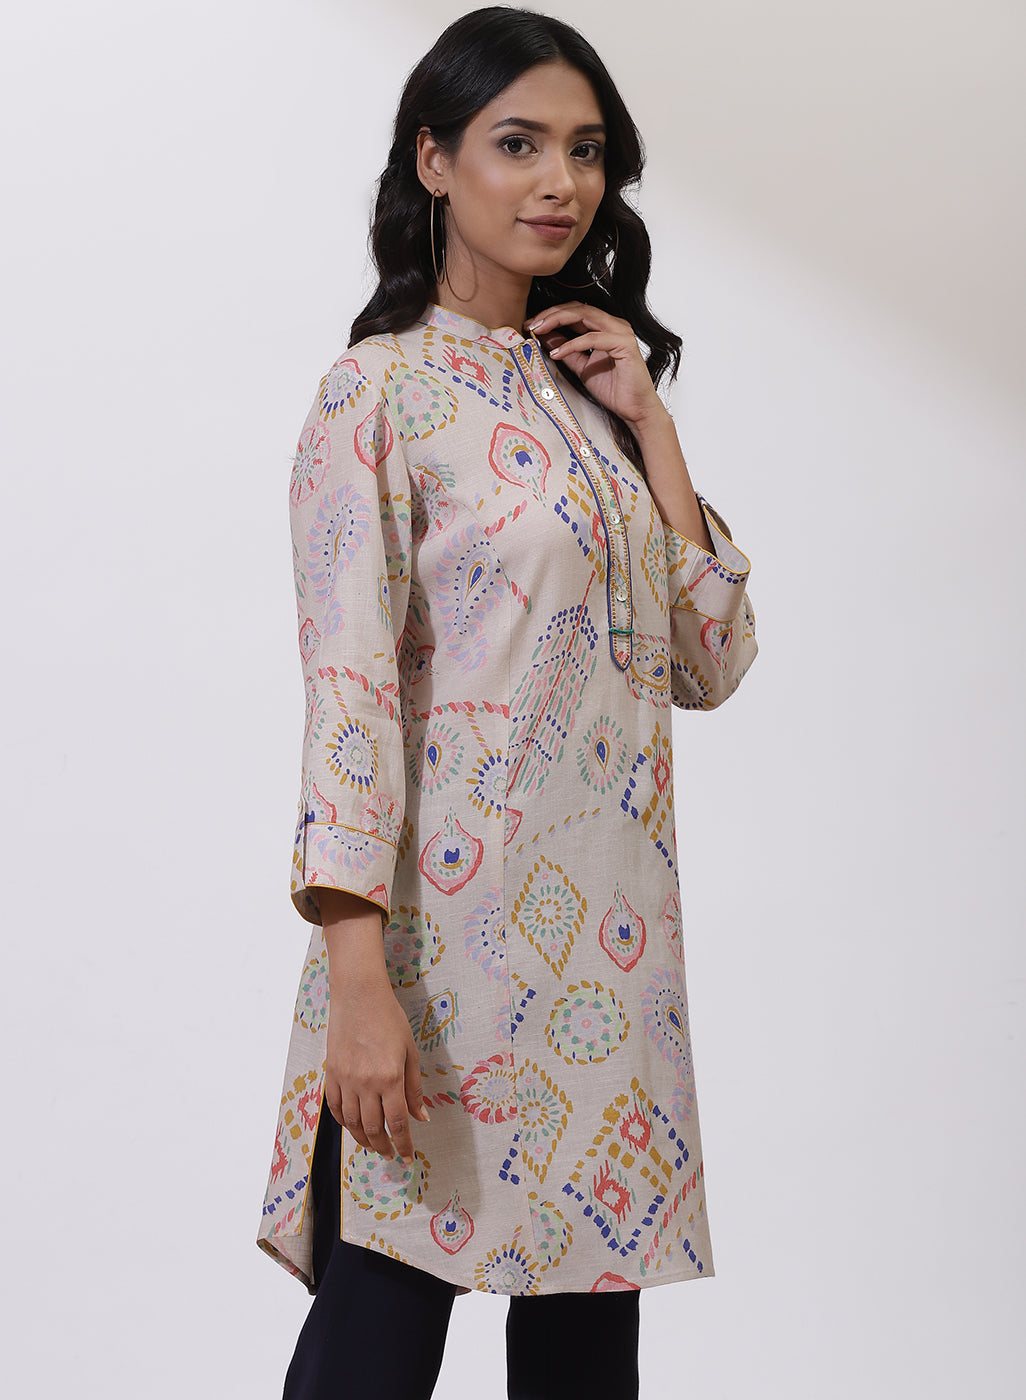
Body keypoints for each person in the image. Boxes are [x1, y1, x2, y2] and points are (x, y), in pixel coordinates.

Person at [257, 7, 758, 1397]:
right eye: (518, 144)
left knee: (584, 1364)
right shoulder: (375, 395)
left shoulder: (592, 396)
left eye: (585, 152)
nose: (560, 183)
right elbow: (349, 698)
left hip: (608, 969)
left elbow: (709, 661)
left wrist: (651, 425)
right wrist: (359, 985)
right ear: (434, 161)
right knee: (374, 1345)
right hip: (436, 962)